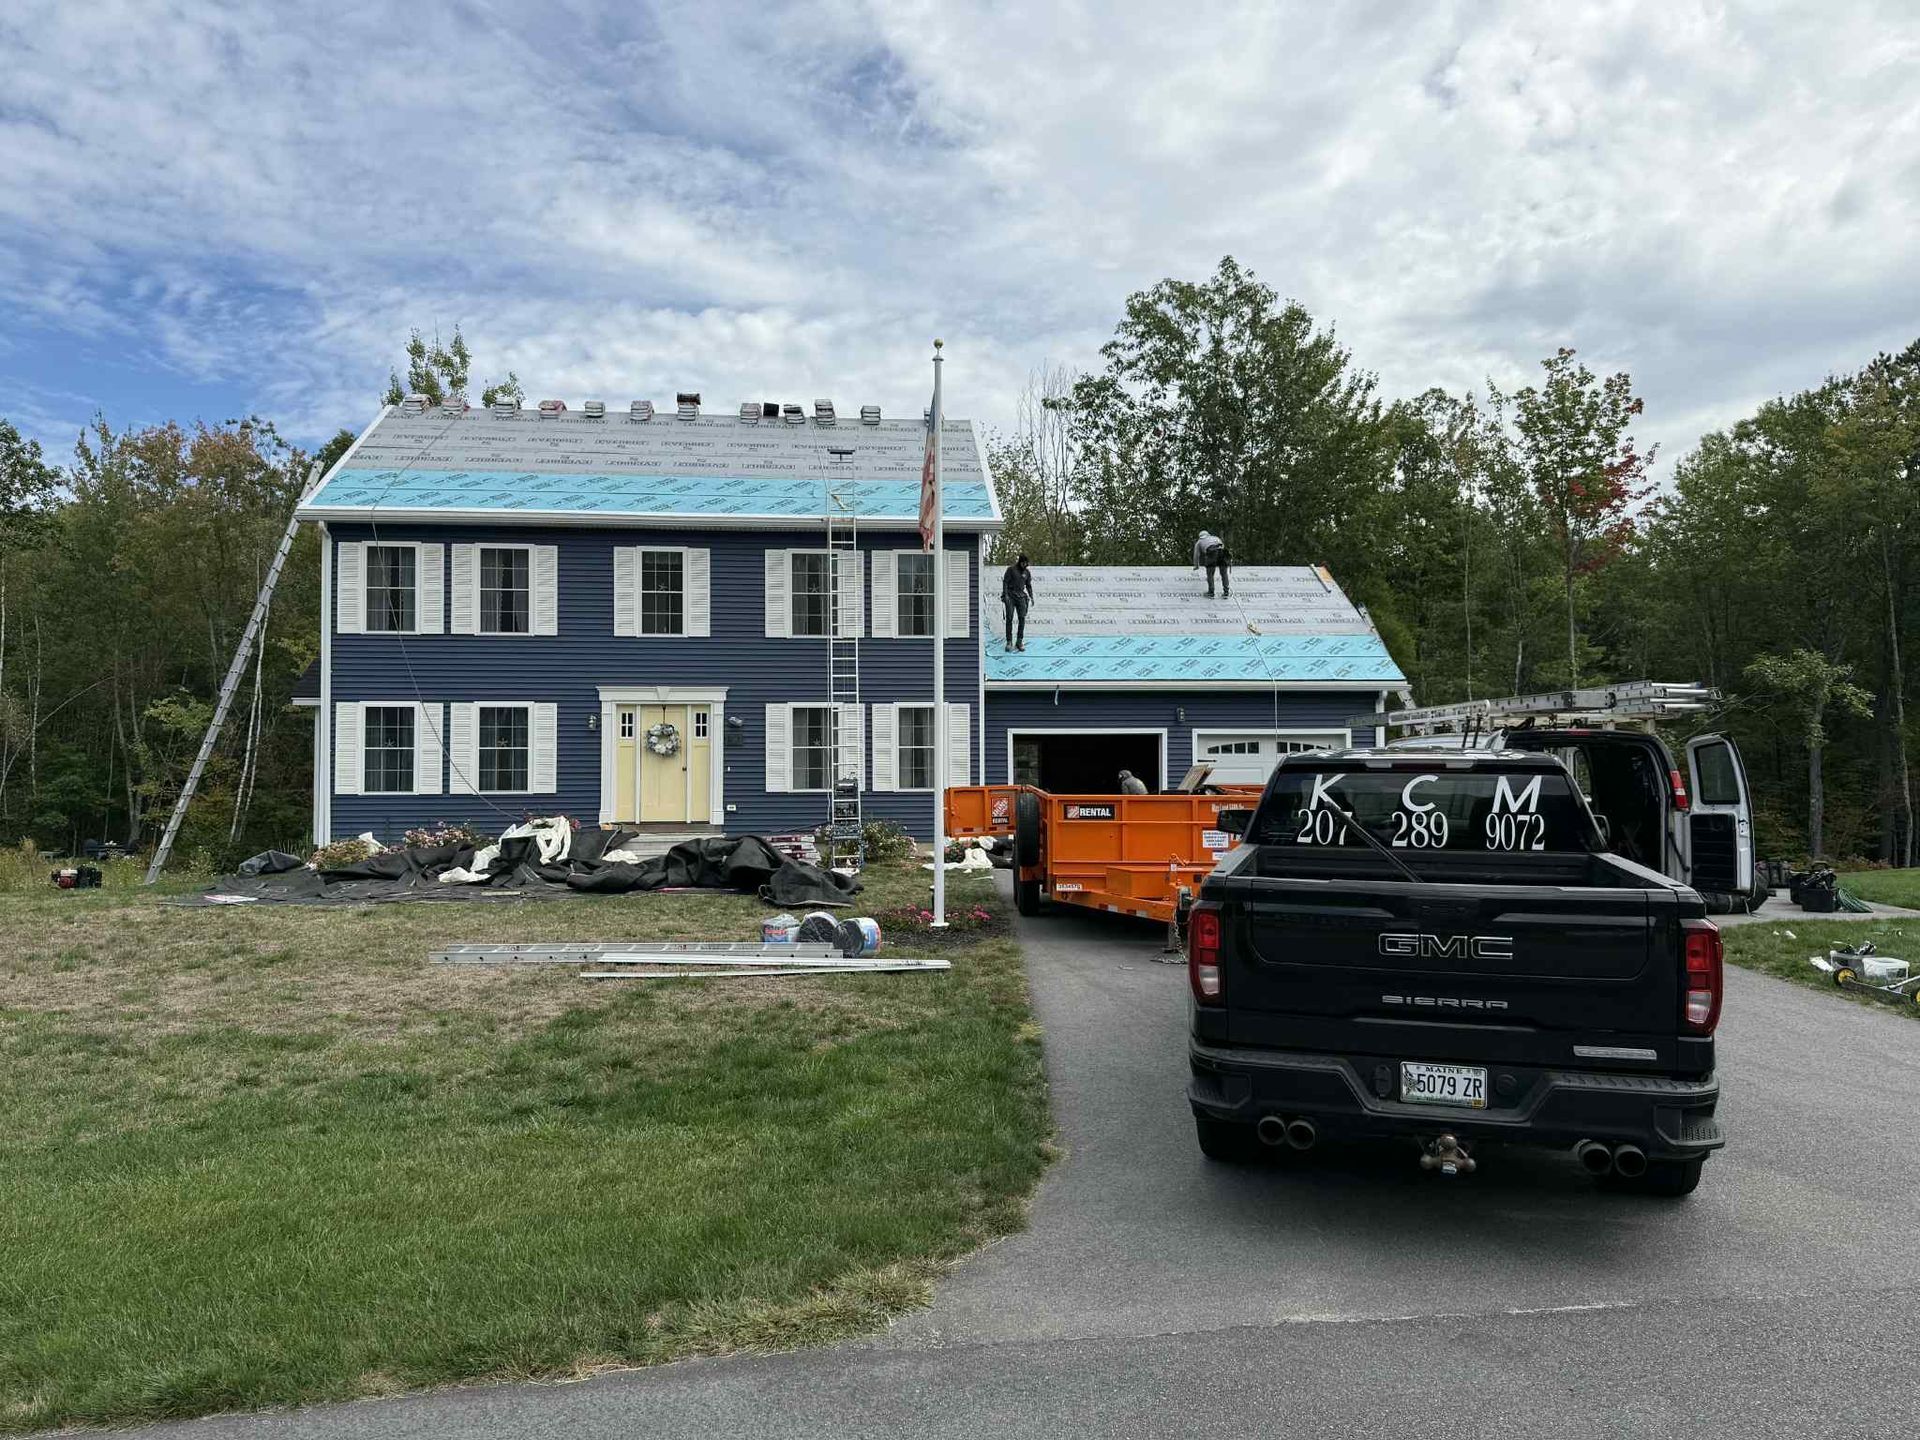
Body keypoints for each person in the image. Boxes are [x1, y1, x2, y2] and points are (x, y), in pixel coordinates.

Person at [1001, 554, 1035, 651]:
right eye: (1024, 563)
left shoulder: (1027, 572)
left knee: (1022, 619)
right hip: (1011, 596)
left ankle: (1019, 641)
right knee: (1009, 618)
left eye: (1027, 563)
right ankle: (1009, 641)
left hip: (1021, 596)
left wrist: (1031, 596)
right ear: (1020, 562)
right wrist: (1005, 595)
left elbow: (1028, 585)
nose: (1026, 565)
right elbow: (1005, 582)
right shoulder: (1011, 570)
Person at [1193, 530, 1230, 598]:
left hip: (1211, 553)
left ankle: (1211, 592)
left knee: (1210, 574)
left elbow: (1196, 555)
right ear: (1208, 534)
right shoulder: (1215, 537)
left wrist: (1196, 566)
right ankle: (1226, 591)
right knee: (1224, 573)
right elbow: (1223, 546)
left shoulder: (1199, 542)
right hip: (1222, 552)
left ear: (1200, 537)